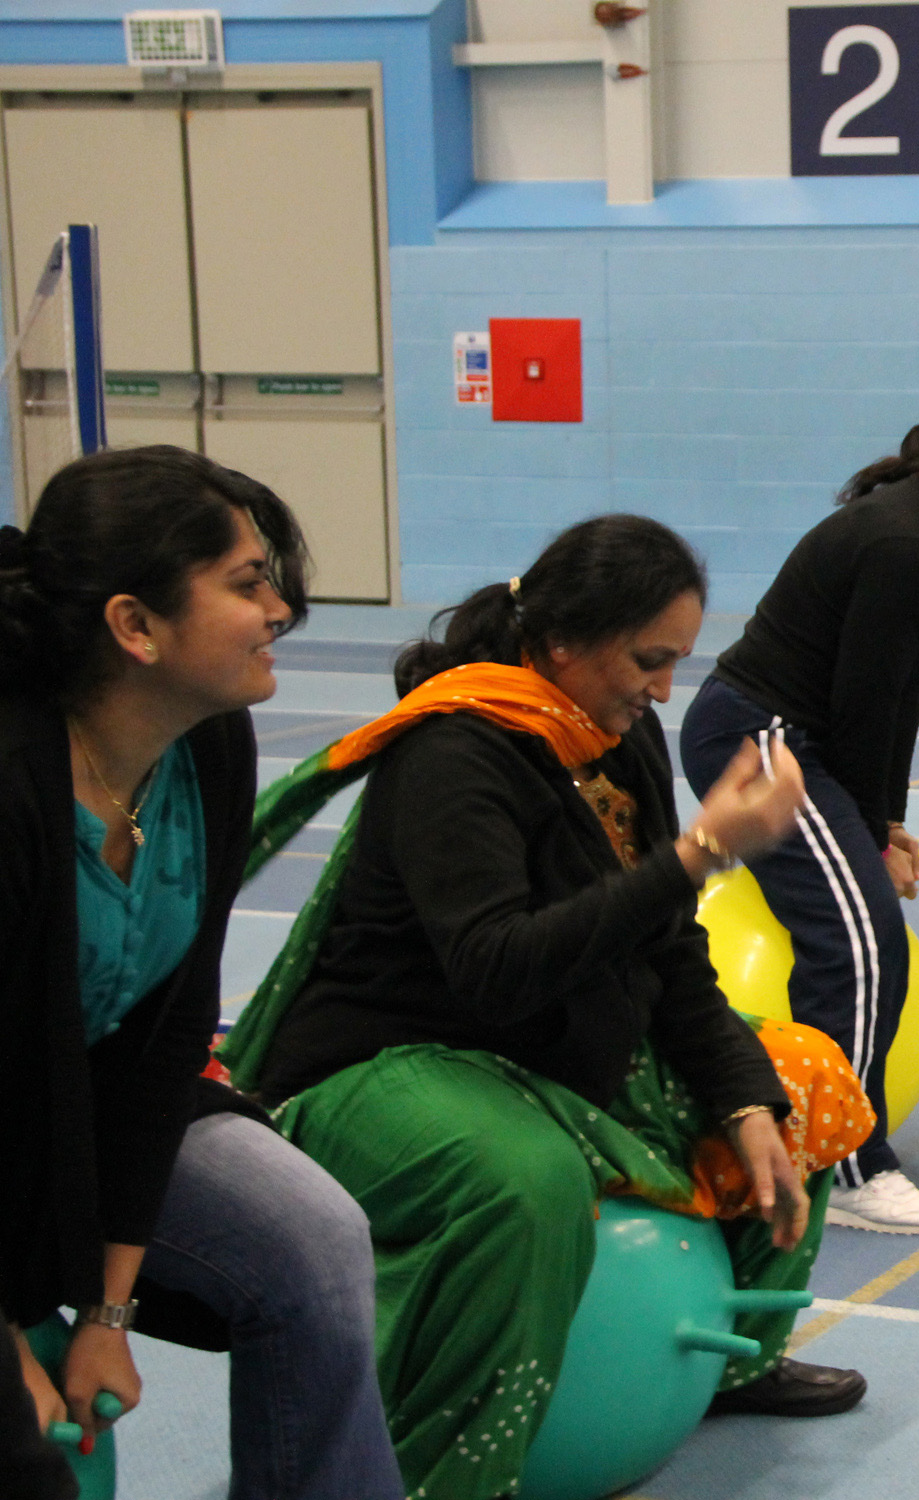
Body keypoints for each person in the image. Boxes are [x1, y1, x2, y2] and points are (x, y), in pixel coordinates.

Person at [229, 516, 874, 1499]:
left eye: (675, 665)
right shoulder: (457, 752)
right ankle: (445, 1475)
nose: (663, 690)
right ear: (564, 642)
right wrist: (697, 854)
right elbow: (499, 969)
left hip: (557, 1048)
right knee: (523, 1184)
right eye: (648, 661)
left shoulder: (619, 738)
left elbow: (666, 948)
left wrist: (747, 1103)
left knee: (801, 1080)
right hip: (391, 1059)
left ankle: (735, 1357)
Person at [0, 446, 403, 1499]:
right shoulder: (12, 787)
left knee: (314, 1243)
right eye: (246, 583)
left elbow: (167, 1040)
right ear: (135, 627)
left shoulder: (208, 749)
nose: (280, 608)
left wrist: (108, 1314)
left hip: (85, 1120)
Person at [681, 371, 919, 1235]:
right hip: (760, 736)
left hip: (804, 738)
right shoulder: (905, 544)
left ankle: (821, 1144)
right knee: (859, 937)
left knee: (862, 917)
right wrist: (870, 832)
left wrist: (884, 820)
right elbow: (861, 706)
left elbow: (899, 693)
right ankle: (842, 1166)